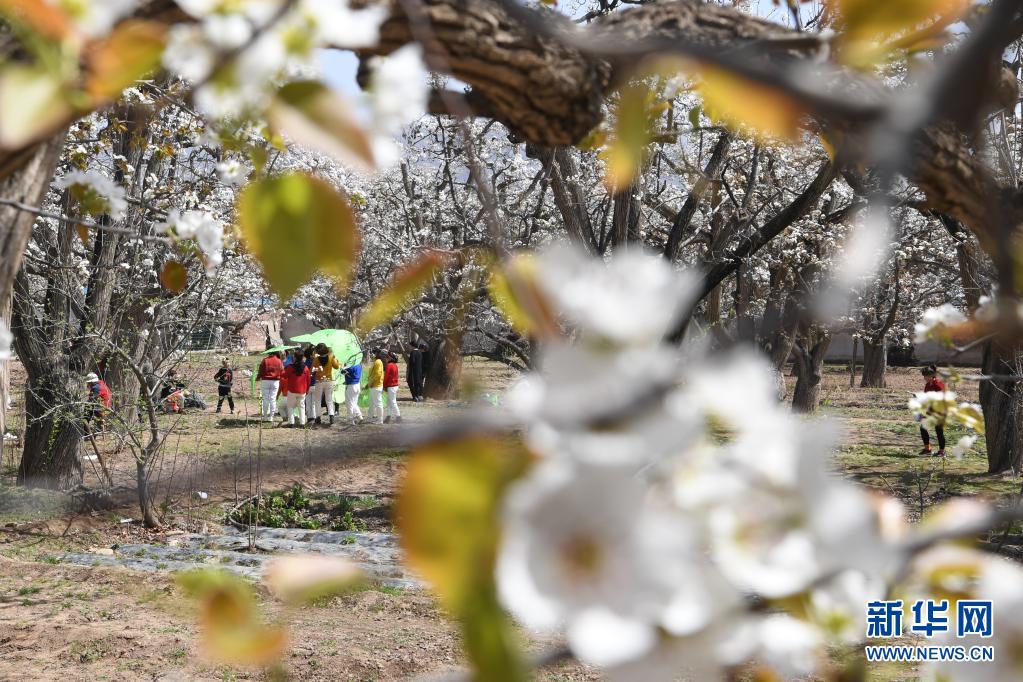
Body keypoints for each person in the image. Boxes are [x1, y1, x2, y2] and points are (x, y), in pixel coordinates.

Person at [919, 365, 947, 457]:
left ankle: (942, 451)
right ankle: (928, 449)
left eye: (926, 376)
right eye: (924, 376)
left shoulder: (938, 384)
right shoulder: (927, 385)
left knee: (939, 431)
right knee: (923, 428)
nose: (924, 378)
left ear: (932, 375)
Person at [312, 343, 341, 425]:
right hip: (329, 380)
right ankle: (331, 415)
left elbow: (312, 371)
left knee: (317, 400)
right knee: (329, 399)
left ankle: (318, 417)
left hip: (319, 381)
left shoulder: (316, 359)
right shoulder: (331, 357)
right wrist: (336, 360)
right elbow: (336, 366)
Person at [282, 355, 311, 427]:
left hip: (292, 390)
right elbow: (308, 381)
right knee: (301, 407)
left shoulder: (290, 367)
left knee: (290, 406)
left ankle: (291, 423)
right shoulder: (306, 368)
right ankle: (302, 423)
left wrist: (282, 369)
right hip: (302, 391)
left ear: (295, 358)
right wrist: (306, 390)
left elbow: (284, 375)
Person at [257, 351, 284, 422]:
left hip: (265, 381)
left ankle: (265, 417)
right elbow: (282, 371)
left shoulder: (265, 360)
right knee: (273, 399)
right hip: (275, 381)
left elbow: (261, 370)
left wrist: (258, 377)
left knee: (265, 399)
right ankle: (271, 417)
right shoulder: (279, 361)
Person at [342, 354, 363, 424]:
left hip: (352, 386)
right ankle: (359, 416)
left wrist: (343, 366)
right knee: (354, 403)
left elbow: (342, 371)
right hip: (357, 385)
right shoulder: (359, 365)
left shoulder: (352, 366)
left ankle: (350, 420)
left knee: (350, 403)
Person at [367, 349, 385, 424]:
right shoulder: (375, 362)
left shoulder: (378, 362)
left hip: (376, 385)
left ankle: (380, 420)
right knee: (371, 402)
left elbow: (378, 374)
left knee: (378, 403)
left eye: (373, 353)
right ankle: (370, 417)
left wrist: (371, 383)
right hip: (373, 385)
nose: (371, 354)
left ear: (377, 354)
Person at [384, 351, 402, 423]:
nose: (386, 358)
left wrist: (384, 385)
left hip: (391, 386)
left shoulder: (389, 365)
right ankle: (388, 416)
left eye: (387, 357)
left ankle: (398, 416)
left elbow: (386, 376)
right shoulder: (394, 365)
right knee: (389, 402)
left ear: (390, 358)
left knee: (393, 402)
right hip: (394, 385)